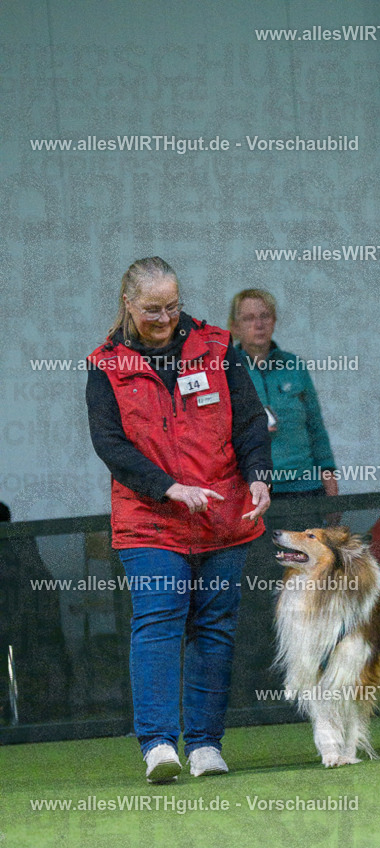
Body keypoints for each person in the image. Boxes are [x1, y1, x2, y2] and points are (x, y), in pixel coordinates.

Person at [86, 258, 271, 783]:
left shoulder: (216, 348)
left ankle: (207, 746)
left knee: (215, 629)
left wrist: (259, 475)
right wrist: (168, 487)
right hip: (151, 518)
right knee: (159, 621)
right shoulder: (105, 365)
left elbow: (250, 420)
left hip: (221, 514)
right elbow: (111, 445)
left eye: (172, 305)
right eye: (152, 309)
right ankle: (159, 745)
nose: (165, 317)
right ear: (128, 304)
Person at [228, 289, 338, 499]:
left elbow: (316, 427)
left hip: (304, 487)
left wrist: (329, 478)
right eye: (249, 318)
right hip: (250, 489)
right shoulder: (225, 370)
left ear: (274, 321)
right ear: (234, 326)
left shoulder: (294, 366)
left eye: (264, 316)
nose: (258, 324)